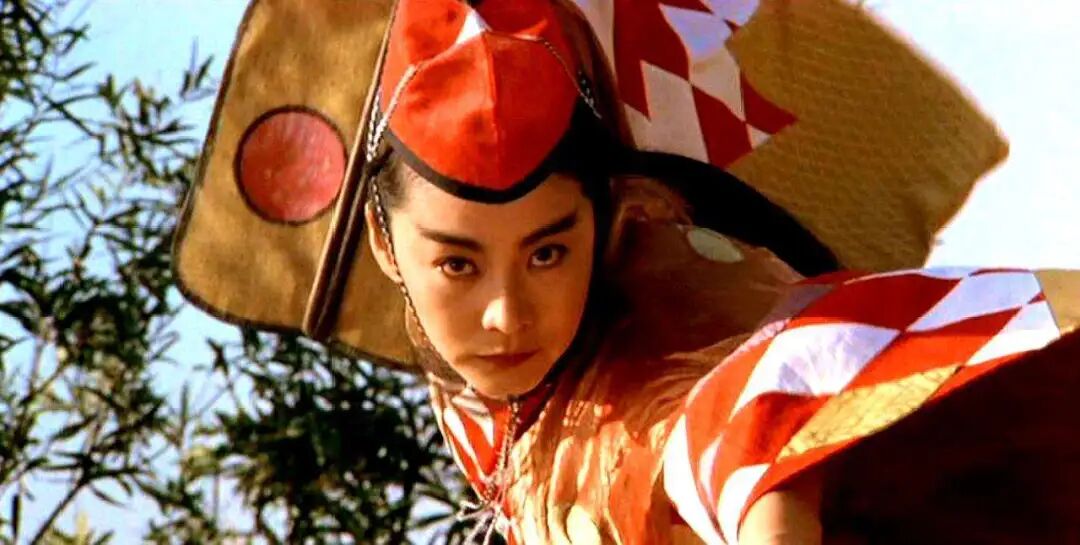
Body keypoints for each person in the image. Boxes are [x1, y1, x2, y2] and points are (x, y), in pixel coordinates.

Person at [174, 0, 1080, 543]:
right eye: (457, 261)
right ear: (382, 241)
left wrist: (759, 492)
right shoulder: (478, 390)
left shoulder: (665, 284)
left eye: (548, 250)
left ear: (611, 216)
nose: (505, 313)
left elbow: (756, 402)